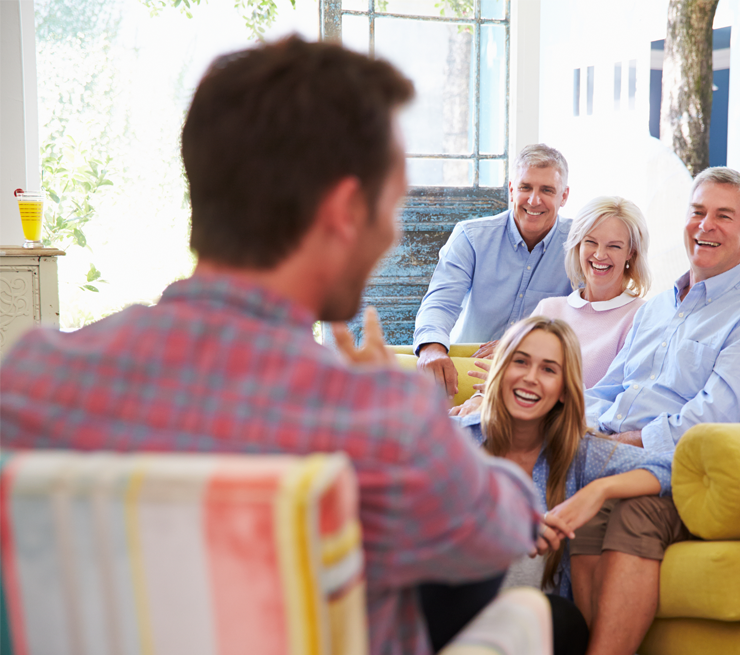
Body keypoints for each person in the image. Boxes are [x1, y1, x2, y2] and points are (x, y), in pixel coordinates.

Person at [0, 37, 542, 655]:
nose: (391, 232)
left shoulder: (31, 377)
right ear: (343, 211)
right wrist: (404, 405)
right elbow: (507, 527)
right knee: (511, 605)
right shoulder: (377, 418)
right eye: (391, 206)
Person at [570, 167, 740, 655]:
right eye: (697, 212)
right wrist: (570, 421)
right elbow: (611, 389)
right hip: (611, 450)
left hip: (679, 464)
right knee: (563, 507)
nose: (705, 225)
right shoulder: (653, 308)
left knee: (623, 508)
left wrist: (621, 444)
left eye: (723, 216)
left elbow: (714, 415)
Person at [454, 316, 674, 655]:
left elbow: (671, 467)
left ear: (562, 391)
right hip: (452, 619)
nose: (530, 378)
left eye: (548, 369)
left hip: (530, 634)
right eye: (521, 362)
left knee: (561, 617)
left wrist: (597, 491)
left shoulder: (579, 455)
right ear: (501, 369)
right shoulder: (458, 442)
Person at [414, 144, 574, 397]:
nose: (534, 200)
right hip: (466, 369)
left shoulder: (579, 245)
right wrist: (432, 348)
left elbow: (585, 319)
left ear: (564, 196)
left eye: (547, 190)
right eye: (525, 187)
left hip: (534, 379)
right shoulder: (470, 237)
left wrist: (520, 346)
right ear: (511, 190)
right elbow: (441, 302)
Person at [531, 196, 650, 388]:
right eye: (591, 242)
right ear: (578, 244)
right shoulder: (548, 309)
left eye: (614, 246)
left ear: (631, 252)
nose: (600, 255)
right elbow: (514, 374)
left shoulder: (642, 317)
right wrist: (480, 399)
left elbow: (624, 397)